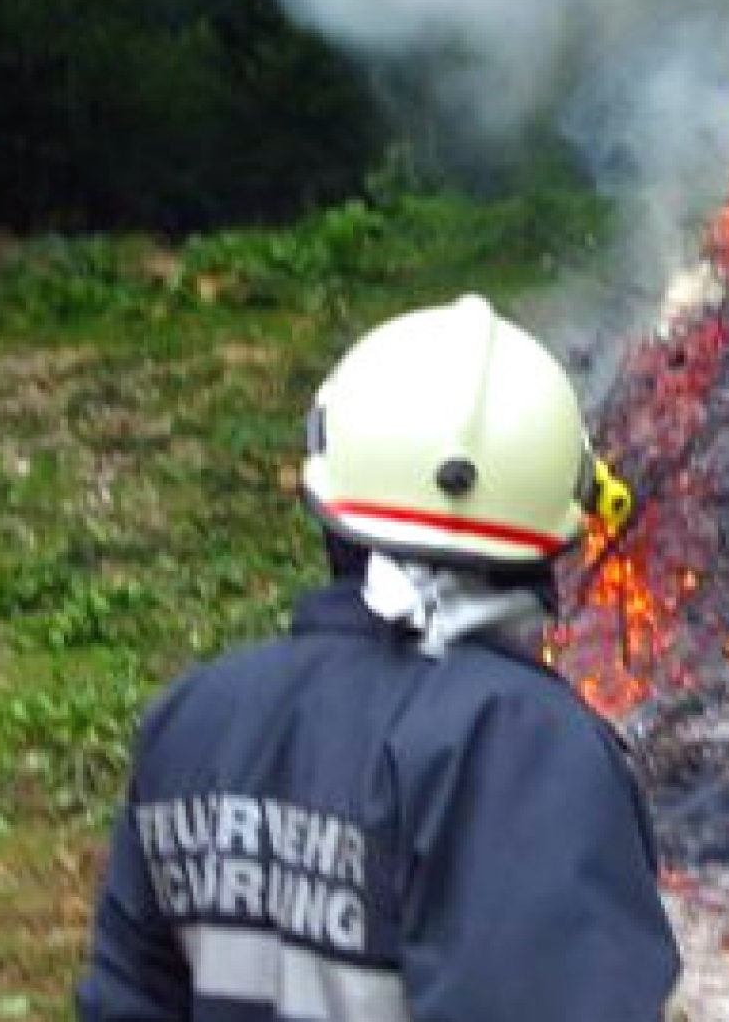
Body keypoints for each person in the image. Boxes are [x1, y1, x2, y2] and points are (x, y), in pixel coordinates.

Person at [77, 294, 681, 1021]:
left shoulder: (198, 715)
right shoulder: (523, 748)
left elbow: (127, 1000)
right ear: (556, 530)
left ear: (329, 501)